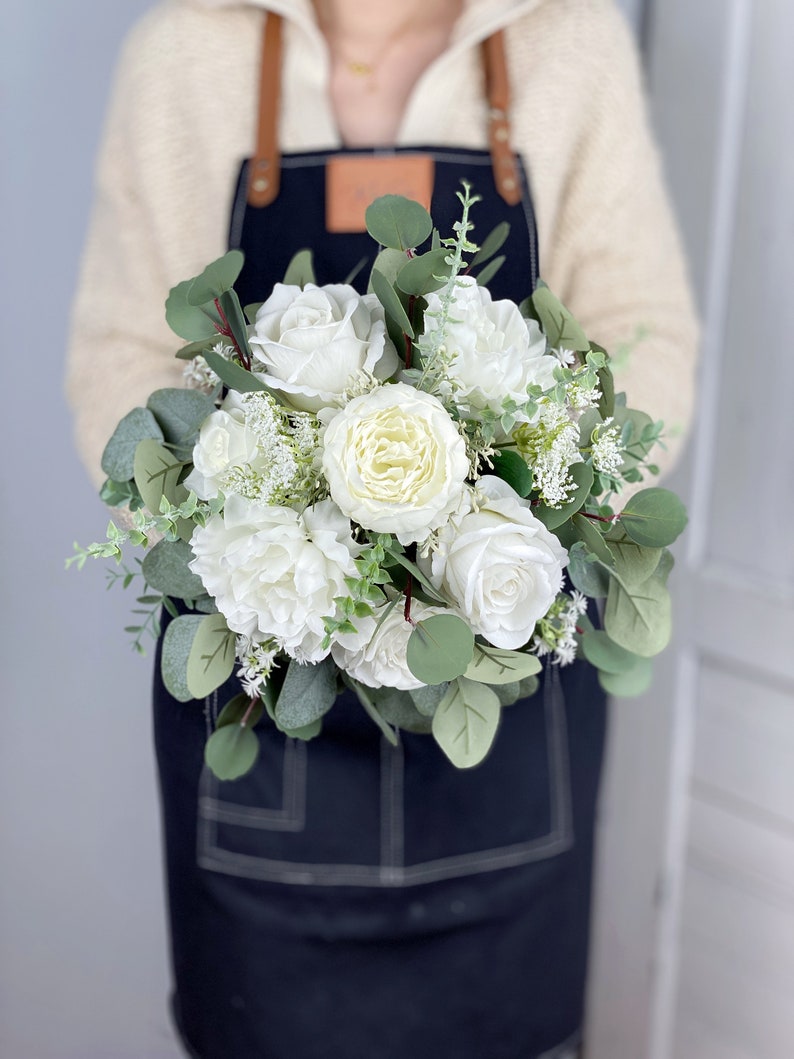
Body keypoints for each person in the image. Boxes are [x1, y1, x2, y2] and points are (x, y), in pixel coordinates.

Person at [66, 2, 698, 1057]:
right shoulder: (182, 53)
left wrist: (484, 519)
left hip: (506, 728)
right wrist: (281, 529)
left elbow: (648, 339)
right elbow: (120, 360)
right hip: (264, 714)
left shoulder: (567, 43)